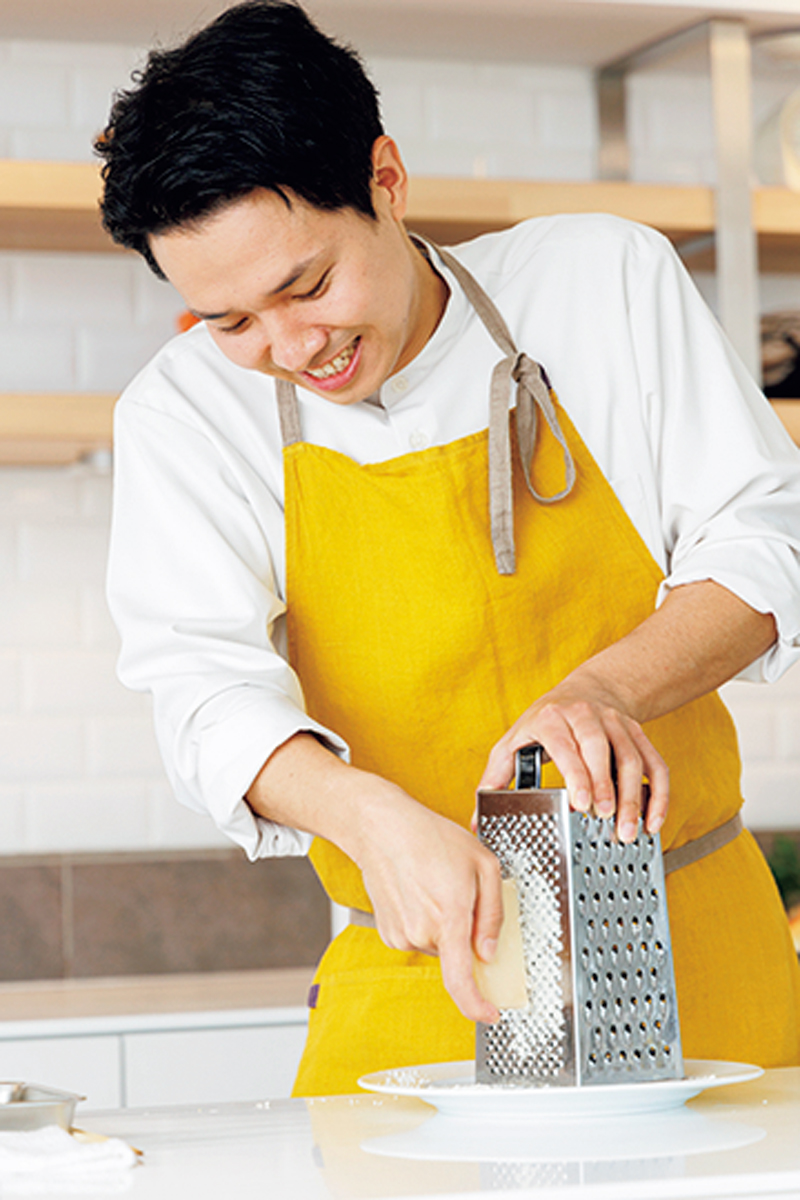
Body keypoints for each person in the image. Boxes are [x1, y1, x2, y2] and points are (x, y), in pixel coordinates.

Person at [97, 0, 800, 1095]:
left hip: (698, 952)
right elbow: (199, 691)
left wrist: (607, 690)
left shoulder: (598, 283)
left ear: (384, 177)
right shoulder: (181, 417)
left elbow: (763, 541)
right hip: (413, 963)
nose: (288, 348)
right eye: (228, 322)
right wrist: (365, 819)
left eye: (307, 285)